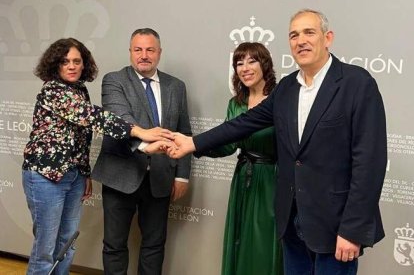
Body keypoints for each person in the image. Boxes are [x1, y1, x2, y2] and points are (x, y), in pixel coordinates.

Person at [168, 9, 387, 275]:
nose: (300, 40)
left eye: (309, 32)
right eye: (294, 35)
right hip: (291, 223)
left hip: (335, 226)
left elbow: (370, 162)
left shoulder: (357, 83)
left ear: (327, 38)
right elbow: (243, 123)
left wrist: (352, 229)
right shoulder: (286, 88)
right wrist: (192, 143)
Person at [22, 37, 170, 275]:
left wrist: (84, 172)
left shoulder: (79, 89)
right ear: (54, 64)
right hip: (45, 177)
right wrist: (139, 132)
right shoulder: (53, 90)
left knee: (67, 245)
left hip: (73, 176)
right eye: (65, 61)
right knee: (45, 250)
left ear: (84, 64)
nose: (71, 66)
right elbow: (93, 117)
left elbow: (81, 138)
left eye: (76, 61)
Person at [91, 28, 192, 275]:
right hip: (120, 176)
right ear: (130, 52)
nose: (144, 55)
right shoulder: (114, 80)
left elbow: (184, 131)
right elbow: (120, 119)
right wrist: (146, 145)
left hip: (160, 178)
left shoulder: (176, 86)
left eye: (150, 49)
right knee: (114, 245)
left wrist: (181, 175)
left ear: (159, 53)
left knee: (154, 245)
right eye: (138, 49)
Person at [201, 42, 282, 275]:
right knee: (239, 240)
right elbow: (226, 144)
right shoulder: (235, 104)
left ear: (264, 64)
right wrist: (189, 147)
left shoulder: (279, 99)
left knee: (264, 244)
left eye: (251, 61)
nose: (244, 68)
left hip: (271, 181)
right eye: (239, 63)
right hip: (243, 178)